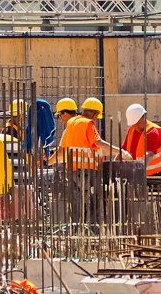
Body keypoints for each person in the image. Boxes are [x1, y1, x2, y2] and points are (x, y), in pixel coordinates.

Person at [47, 97, 131, 226]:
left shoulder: (70, 123)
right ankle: (91, 231)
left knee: (77, 204)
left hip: (72, 171)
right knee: (92, 202)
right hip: (87, 171)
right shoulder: (88, 123)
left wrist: (48, 162)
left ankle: (77, 230)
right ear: (95, 113)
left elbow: (62, 150)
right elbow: (98, 142)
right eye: (97, 116)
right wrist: (120, 151)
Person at [122, 103, 161, 176]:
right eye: (133, 124)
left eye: (138, 123)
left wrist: (139, 170)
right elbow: (122, 151)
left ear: (144, 117)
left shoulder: (152, 131)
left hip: (159, 174)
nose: (136, 127)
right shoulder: (131, 130)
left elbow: (149, 155)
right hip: (140, 174)